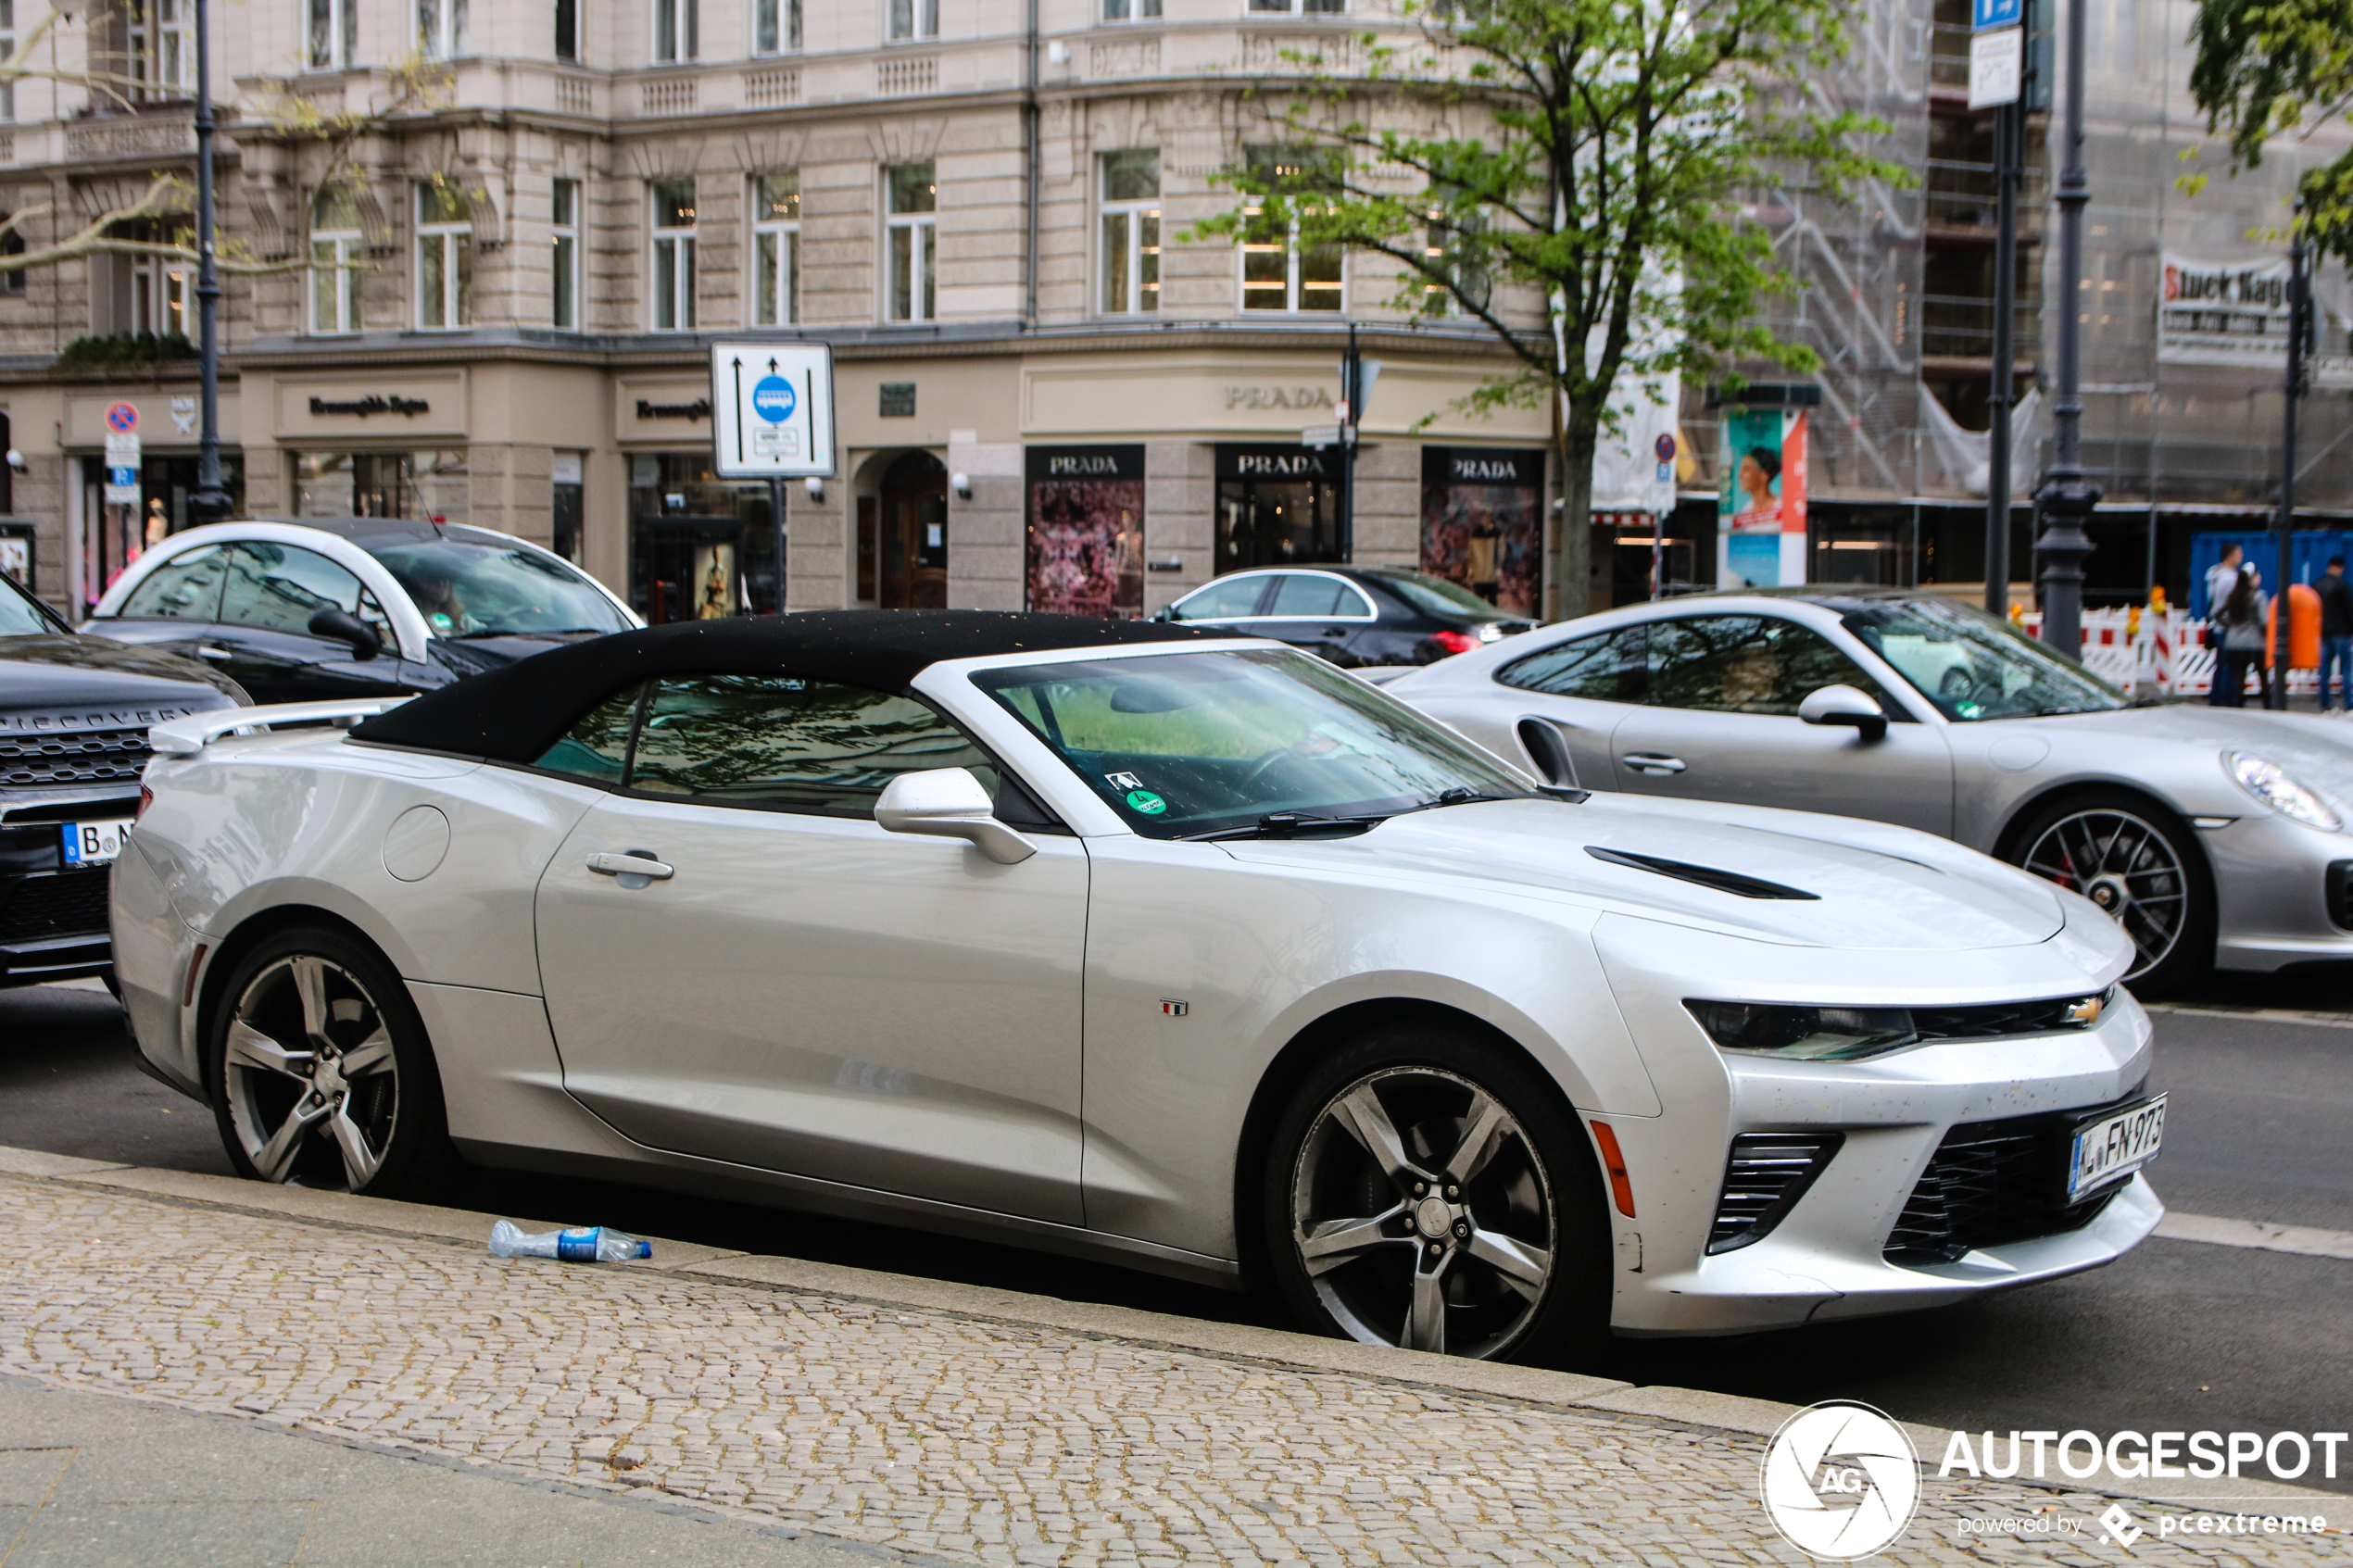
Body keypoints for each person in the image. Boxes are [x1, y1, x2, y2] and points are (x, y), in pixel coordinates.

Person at [2212, 565, 2269, 709]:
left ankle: (2238, 704)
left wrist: (2228, 626)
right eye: (2257, 576)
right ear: (2251, 580)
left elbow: (2215, 613)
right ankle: (2268, 704)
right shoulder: (2259, 596)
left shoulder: (2233, 596)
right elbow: (2264, 620)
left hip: (2233, 641)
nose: (2259, 579)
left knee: (2239, 676)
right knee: (2263, 675)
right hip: (2256, 642)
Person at [2318, 555, 2353, 714]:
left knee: (2324, 670)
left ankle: (2325, 704)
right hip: (2342, 632)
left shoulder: (2317, 585)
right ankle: (2349, 703)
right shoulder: (2343, 586)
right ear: (2341, 567)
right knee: (2346, 669)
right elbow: (2349, 611)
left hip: (2323, 633)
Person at [2205, 543, 2243, 637]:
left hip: (2215, 626)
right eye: (2239, 553)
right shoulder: (2229, 579)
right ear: (2230, 557)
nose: (2242, 556)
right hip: (2226, 629)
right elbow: (2228, 604)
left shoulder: (2214, 575)